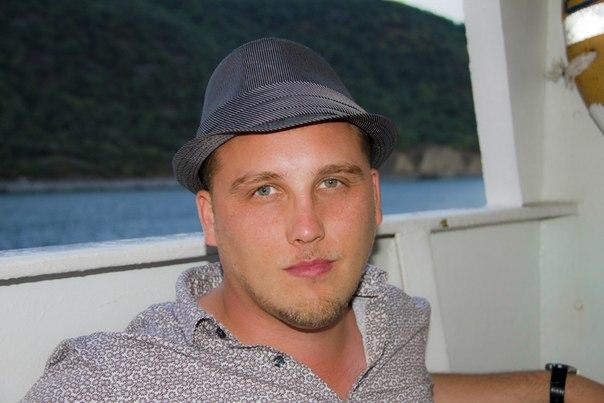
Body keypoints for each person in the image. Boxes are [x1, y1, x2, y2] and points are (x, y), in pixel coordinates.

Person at [24, 38, 604, 402]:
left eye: (332, 183)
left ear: (373, 197)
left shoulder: (395, 323)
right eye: (265, 190)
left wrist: (562, 388)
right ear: (210, 217)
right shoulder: (119, 379)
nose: (308, 227)